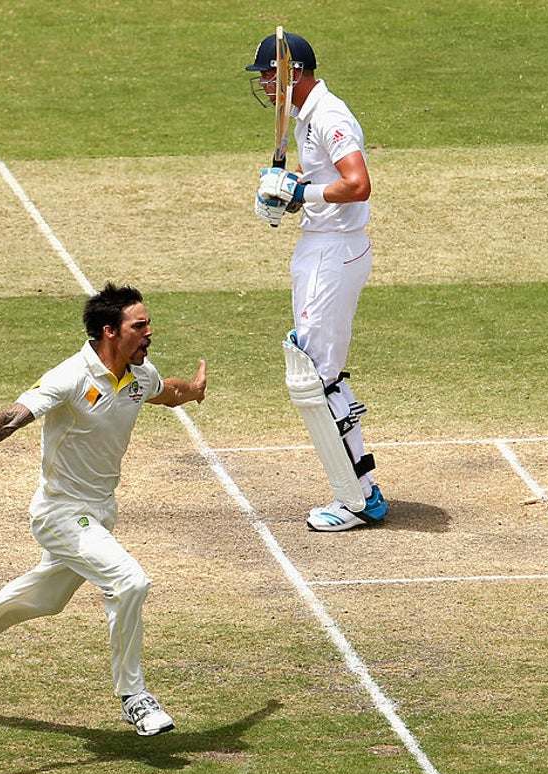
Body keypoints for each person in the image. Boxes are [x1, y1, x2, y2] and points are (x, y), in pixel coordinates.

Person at [0, 283, 207, 737]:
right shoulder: (69, 377)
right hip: (61, 513)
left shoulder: (138, 376)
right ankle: (134, 697)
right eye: (140, 325)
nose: (150, 332)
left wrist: (194, 391)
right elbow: (12, 417)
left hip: (100, 513)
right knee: (129, 581)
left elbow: (168, 391)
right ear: (110, 331)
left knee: (45, 599)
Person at [246, 31, 388, 532]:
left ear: (294, 74)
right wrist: (289, 196)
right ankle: (361, 489)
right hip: (317, 249)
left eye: (269, 74)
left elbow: (357, 184)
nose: (264, 83)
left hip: (335, 254)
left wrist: (304, 192)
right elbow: (321, 186)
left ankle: (357, 499)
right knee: (315, 370)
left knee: (317, 376)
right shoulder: (307, 116)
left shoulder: (329, 116)